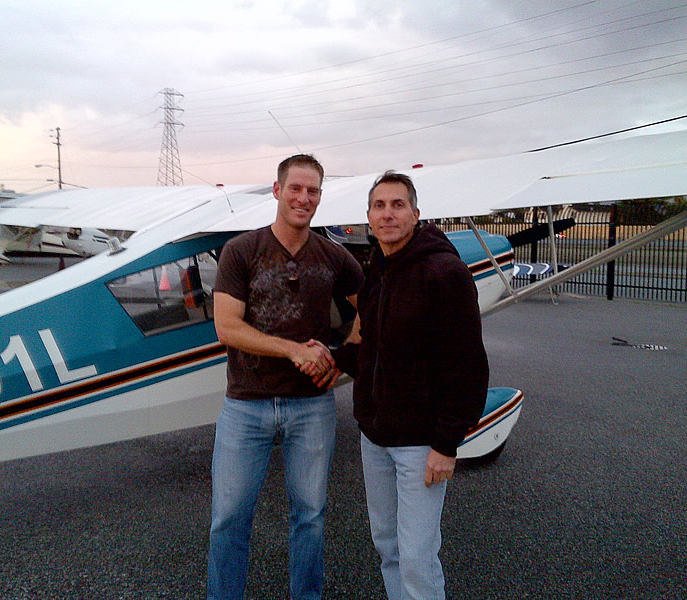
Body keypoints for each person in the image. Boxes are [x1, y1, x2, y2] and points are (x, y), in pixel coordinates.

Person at [207, 154, 364, 600]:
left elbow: (373, 308)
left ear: (319, 197)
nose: (304, 198)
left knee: (310, 516)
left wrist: (341, 358)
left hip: (310, 405)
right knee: (229, 517)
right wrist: (294, 349)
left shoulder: (334, 256)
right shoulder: (242, 251)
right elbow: (227, 327)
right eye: (295, 188)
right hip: (245, 403)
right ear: (277, 191)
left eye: (312, 190)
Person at [334, 171, 488, 600]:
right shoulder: (376, 272)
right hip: (374, 436)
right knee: (388, 546)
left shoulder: (445, 272)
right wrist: (331, 359)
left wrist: (446, 443)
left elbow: (468, 364)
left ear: (416, 214)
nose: (388, 214)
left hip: (420, 444)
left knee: (418, 556)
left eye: (397, 205)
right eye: (379, 206)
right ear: (368, 217)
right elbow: (372, 346)